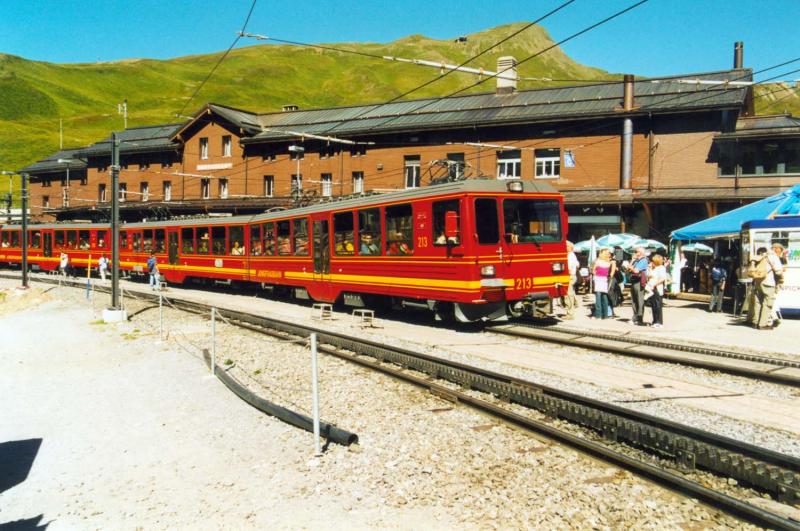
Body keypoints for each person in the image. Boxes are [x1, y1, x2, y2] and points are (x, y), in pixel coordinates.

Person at [747, 246, 783, 330]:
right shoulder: (772, 257)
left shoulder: (757, 257)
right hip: (769, 283)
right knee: (767, 303)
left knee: (758, 302)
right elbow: (778, 271)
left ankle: (755, 322)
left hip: (757, 282)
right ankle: (763, 324)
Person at [591, 248, 616, 320]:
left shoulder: (598, 261)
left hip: (599, 279)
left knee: (599, 297)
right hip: (604, 279)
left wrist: (596, 274)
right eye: (608, 253)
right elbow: (612, 273)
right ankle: (605, 315)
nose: (609, 254)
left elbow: (593, 270)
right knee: (604, 297)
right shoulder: (610, 262)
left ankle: (598, 315)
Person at [627, 246, 649, 325]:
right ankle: (635, 316)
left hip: (639, 282)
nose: (635, 253)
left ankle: (639, 318)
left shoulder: (643, 261)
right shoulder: (636, 261)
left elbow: (636, 271)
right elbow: (628, 269)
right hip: (633, 281)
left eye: (636, 252)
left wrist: (631, 268)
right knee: (634, 300)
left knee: (639, 300)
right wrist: (632, 261)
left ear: (641, 253)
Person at [647, 254, 669, 328]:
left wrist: (655, 284)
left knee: (657, 305)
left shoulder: (661, 268)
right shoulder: (653, 268)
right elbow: (648, 276)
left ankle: (659, 322)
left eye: (653, 260)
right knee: (653, 305)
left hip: (657, 288)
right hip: (651, 288)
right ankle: (654, 320)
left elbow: (662, 278)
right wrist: (650, 268)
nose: (651, 262)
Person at [561, 241, 580, 319]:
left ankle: (570, 314)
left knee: (568, 295)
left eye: (566, 246)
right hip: (572, 275)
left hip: (569, 276)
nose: (565, 248)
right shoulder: (573, 255)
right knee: (571, 293)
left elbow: (568, 269)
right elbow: (578, 264)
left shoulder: (570, 256)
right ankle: (575, 304)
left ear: (570, 248)